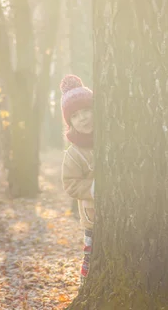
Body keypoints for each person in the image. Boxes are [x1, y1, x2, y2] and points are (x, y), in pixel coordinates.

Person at [60, 74, 95, 285]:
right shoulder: (74, 153)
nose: (83, 118)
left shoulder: (110, 138)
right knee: (93, 256)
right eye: (75, 115)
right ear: (70, 122)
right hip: (94, 216)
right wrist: (95, 188)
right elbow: (70, 183)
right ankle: (87, 288)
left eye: (86, 111)